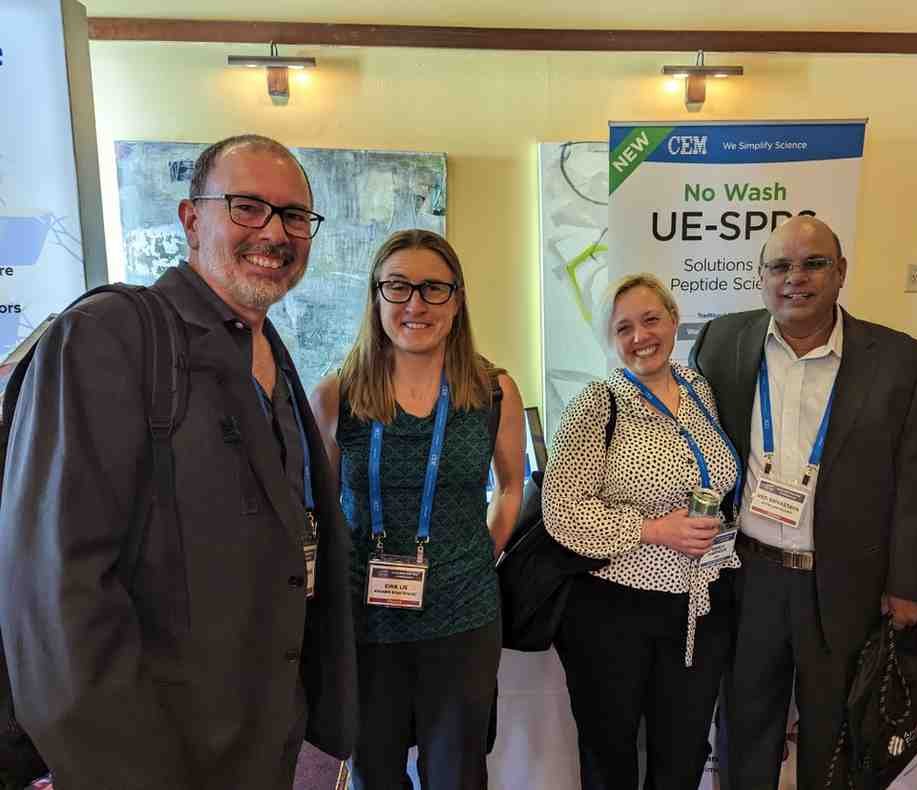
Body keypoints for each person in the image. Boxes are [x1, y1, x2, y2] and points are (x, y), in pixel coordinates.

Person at [0, 134, 358, 789]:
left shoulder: (271, 355)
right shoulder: (107, 337)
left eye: (293, 215)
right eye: (247, 206)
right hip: (157, 757)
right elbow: (56, 591)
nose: (274, 232)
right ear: (192, 220)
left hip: (258, 739)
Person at [689, 215, 917, 789]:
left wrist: (911, 585)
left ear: (841, 271)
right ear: (761, 276)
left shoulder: (903, 362)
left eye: (814, 264)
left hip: (846, 585)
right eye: (780, 266)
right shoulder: (723, 342)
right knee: (745, 725)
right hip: (749, 577)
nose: (795, 278)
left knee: (835, 736)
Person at [311, 229, 524, 789]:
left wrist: (475, 555)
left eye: (434, 288)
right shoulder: (337, 395)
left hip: (463, 614)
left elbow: (510, 488)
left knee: (457, 773)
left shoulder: (493, 392)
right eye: (398, 287)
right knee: (376, 773)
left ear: (457, 299)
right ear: (376, 296)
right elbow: (318, 510)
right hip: (365, 620)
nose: (415, 304)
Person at [542, 273, 741, 790]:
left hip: (700, 605)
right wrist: (654, 530)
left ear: (673, 321)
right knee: (610, 756)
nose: (640, 336)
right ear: (610, 339)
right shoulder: (597, 404)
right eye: (623, 327)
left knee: (684, 754)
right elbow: (561, 511)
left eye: (651, 319)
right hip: (613, 609)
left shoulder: (699, 389)